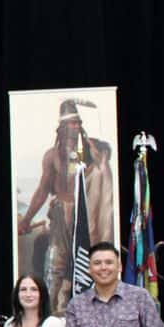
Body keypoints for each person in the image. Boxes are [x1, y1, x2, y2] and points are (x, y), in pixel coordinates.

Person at [17, 99, 116, 314]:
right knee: (55, 265)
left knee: (87, 264)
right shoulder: (52, 156)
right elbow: (43, 189)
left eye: (76, 124)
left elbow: (98, 174)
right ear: (60, 129)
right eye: (69, 125)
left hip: (87, 220)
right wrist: (26, 220)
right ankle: (48, 313)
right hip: (61, 216)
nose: (73, 129)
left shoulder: (92, 153)